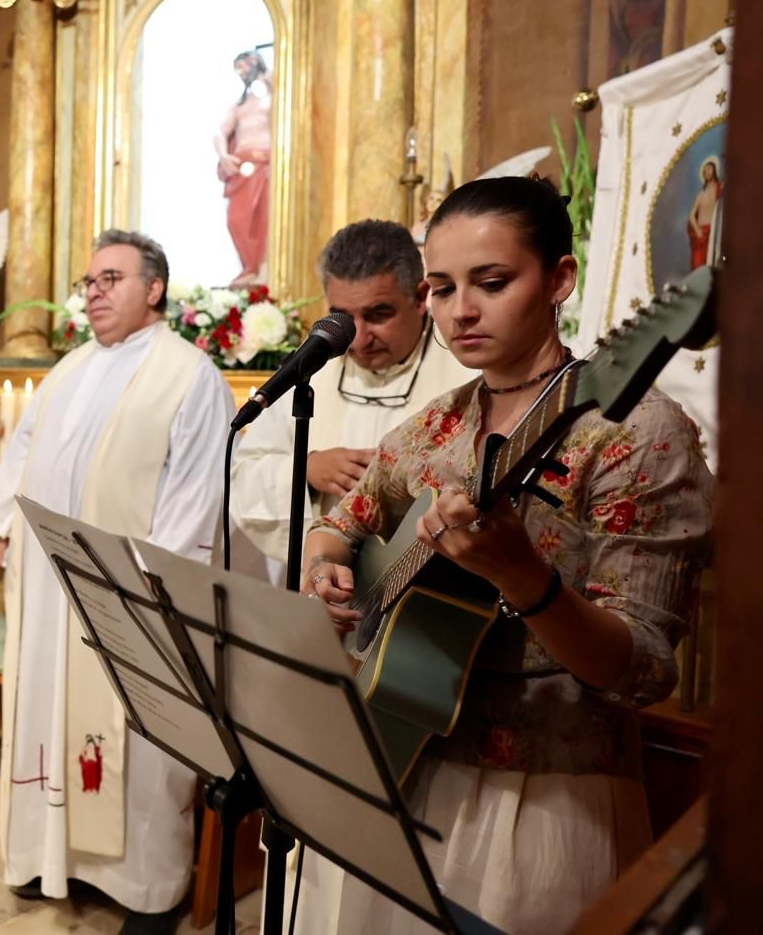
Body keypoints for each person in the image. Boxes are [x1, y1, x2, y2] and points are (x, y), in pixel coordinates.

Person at [299, 177, 714, 934]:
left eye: (491, 283)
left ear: (560, 279)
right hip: (396, 752)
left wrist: (523, 578)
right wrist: (325, 565)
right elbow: (343, 519)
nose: (460, 311)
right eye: (442, 288)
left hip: (540, 795)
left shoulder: (637, 433)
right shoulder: (437, 424)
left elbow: (644, 669)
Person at [0, 230, 234, 933]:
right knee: (48, 714)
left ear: (154, 288)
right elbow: (22, 450)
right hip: (50, 583)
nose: (93, 293)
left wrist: (150, 584)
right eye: (88, 282)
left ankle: (148, 889)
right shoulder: (69, 367)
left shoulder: (190, 375)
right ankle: (48, 856)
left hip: (132, 595)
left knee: (139, 744)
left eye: (110, 279)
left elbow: (196, 488)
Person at [230, 220, 468, 584]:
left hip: (429, 591)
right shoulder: (313, 369)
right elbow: (244, 475)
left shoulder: (464, 372)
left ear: (421, 297)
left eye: (378, 315)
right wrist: (306, 470)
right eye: (343, 317)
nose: (358, 338)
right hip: (325, 585)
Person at [214, 50, 273, 286]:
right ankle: (249, 266)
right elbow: (220, 133)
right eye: (237, 68)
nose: (241, 72)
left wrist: (268, 80)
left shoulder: (272, 97)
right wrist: (224, 156)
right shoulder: (239, 105)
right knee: (236, 220)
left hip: (265, 163)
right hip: (242, 166)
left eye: (244, 65)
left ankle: (263, 268)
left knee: (264, 218)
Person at [686, 157, 722, 269]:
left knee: (713, 263)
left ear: (715, 170)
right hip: (701, 235)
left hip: (714, 233)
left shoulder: (720, 188)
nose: (707, 171)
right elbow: (692, 215)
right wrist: (697, 230)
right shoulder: (701, 194)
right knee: (698, 265)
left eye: (709, 169)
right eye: (705, 170)